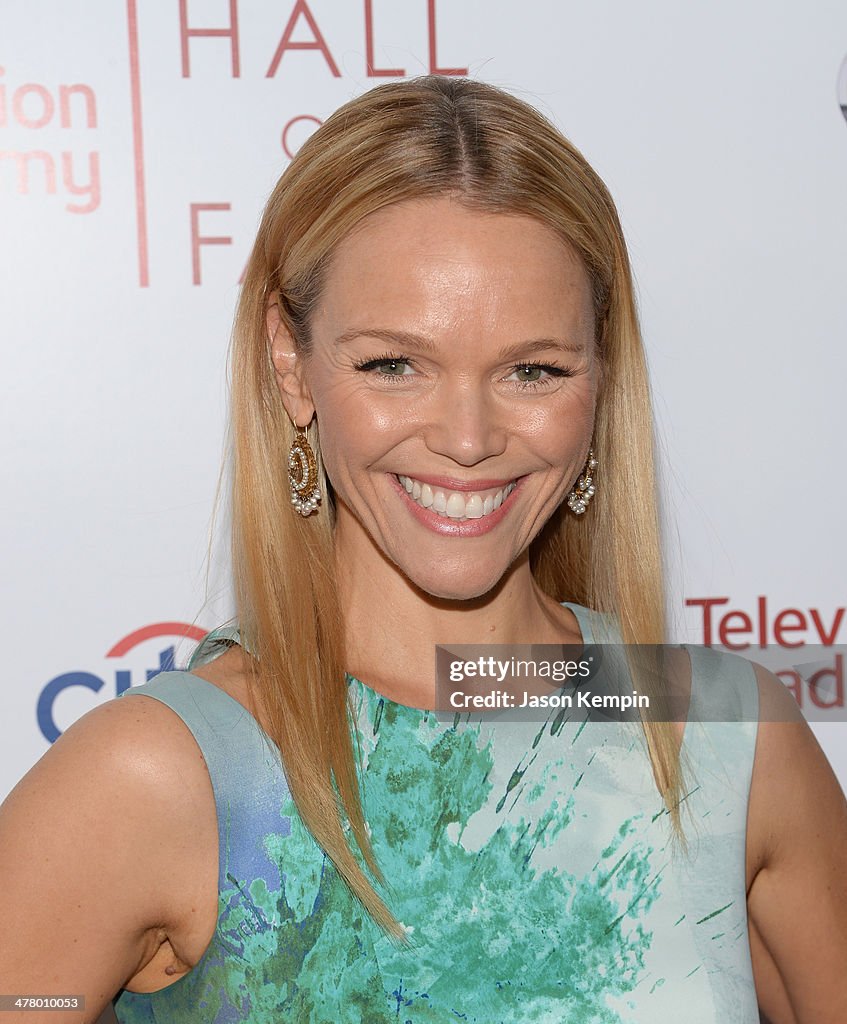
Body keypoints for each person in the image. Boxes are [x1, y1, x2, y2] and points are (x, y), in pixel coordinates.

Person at [1, 76, 845, 1024]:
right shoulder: (166, 774)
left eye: (534, 370)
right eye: (393, 365)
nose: (469, 436)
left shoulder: (722, 733)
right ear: (292, 364)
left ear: (601, 377)